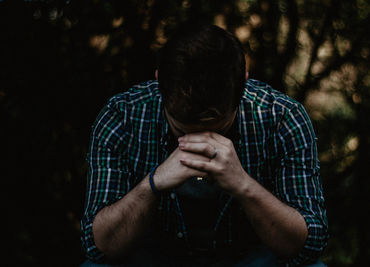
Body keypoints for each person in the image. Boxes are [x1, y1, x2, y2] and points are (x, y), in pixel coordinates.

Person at [80, 25, 328, 267]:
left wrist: (243, 185)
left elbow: (309, 246)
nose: (201, 145)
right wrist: (153, 184)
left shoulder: (283, 117)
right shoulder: (122, 116)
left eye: (217, 129)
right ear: (159, 82)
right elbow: (98, 247)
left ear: (243, 84)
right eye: (183, 131)